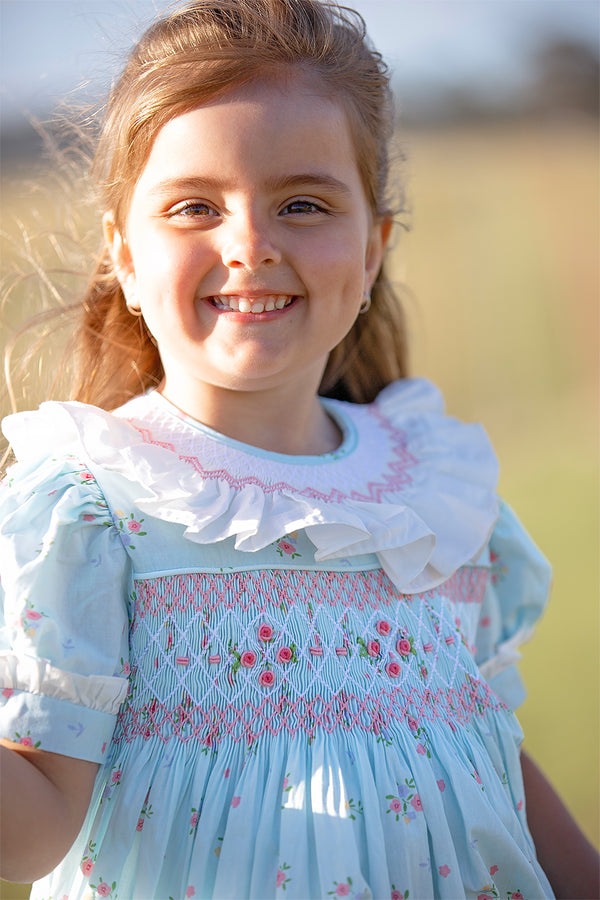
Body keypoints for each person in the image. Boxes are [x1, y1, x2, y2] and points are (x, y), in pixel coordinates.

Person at [0, 1, 597, 898]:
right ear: (123, 255)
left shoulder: (431, 496)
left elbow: (490, 754)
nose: (250, 245)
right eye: (194, 207)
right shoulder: (92, 506)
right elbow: (31, 832)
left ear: (372, 250)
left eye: (303, 204)